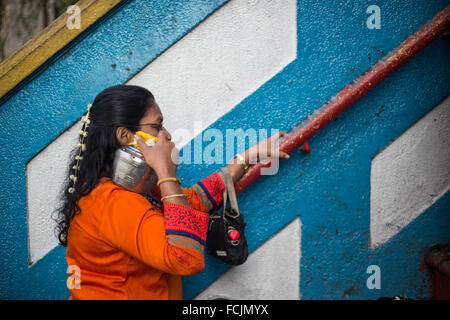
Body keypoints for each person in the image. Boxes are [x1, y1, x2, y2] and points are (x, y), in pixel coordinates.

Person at [55, 84, 289, 300]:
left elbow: (191, 203)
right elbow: (186, 258)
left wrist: (247, 157)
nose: (166, 135)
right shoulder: (113, 203)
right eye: (157, 126)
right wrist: (165, 171)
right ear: (125, 135)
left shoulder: (123, 191)